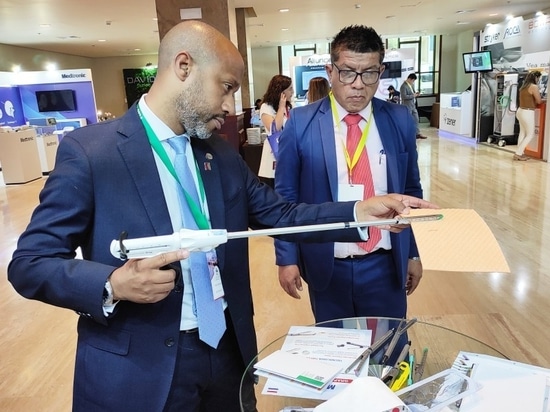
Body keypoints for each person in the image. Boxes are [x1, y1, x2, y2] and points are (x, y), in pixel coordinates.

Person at [7, 20, 436, 412]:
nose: (231, 106)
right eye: (226, 87)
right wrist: (111, 284)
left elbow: (282, 212)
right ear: (184, 66)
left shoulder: (220, 155)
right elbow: (29, 264)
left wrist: (359, 211)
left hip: (227, 354)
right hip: (142, 369)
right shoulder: (91, 152)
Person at [274, 25, 425, 324]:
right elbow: (285, 197)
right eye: (347, 72)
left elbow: (412, 191)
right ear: (331, 71)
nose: (358, 84)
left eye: (368, 73)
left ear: (380, 72)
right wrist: (287, 258)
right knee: (336, 355)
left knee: (388, 353)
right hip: (327, 264)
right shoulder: (301, 123)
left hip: (385, 263)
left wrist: (414, 253)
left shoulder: (398, 120)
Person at [257, 74, 293, 188]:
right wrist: (281, 107)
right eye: (290, 89)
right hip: (273, 154)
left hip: (287, 151)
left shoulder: (289, 107)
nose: (292, 92)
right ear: (281, 92)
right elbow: (274, 128)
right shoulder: (266, 107)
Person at [514, 70, 542, 161]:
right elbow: (539, 101)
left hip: (520, 111)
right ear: (536, 78)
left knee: (522, 132)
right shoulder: (534, 87)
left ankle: (520, 152)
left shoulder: (523, 87)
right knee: (530, 134)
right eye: (538, 78)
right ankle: (518, 153)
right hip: (528, 112)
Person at [400, 73, 427, 139]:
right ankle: (407, 134)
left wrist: (416, 94)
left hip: (413, 105)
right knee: (407, 121)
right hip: (407, 106)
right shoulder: (403, 86)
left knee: (416, 119)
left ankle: (417, 133)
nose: (413, 82)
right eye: (413, 80)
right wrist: (413, 96)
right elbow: (404, 96)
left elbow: (413, 93)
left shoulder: (411, 85)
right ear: (409, 79)